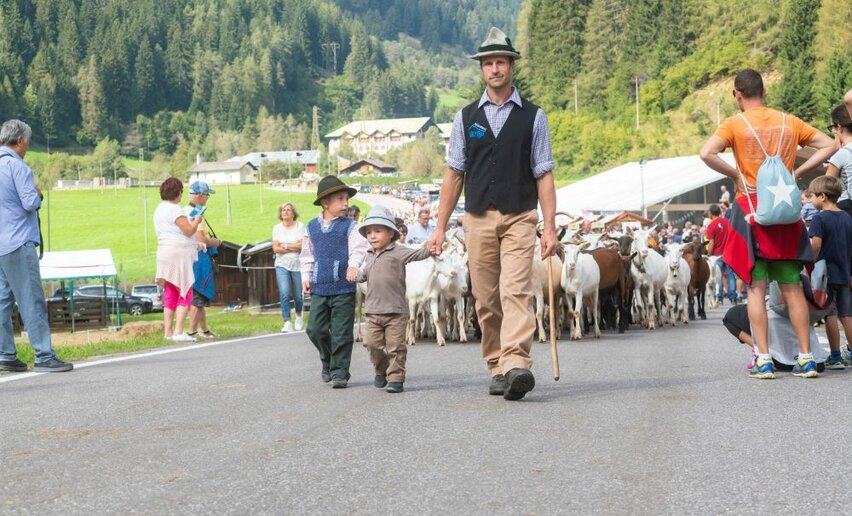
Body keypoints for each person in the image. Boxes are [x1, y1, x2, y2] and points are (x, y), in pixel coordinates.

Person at [428, 27, 558, 401]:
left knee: (516, 289)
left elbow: (544, 173)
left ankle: (517, 363)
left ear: (511, 66)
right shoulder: (465, 117)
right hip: (478, 217)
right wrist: (439, 228)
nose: (495, 68)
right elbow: (454, 174)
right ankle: (496, 364)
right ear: (482, 69)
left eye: (501, 61)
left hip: (520, 216)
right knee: (486, 298)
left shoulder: (534, 116)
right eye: (489, 63)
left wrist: (549, 227)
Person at [700, 68, 836, 379]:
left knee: (755, 289)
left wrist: (735, 174)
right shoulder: (789, 122)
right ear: (764, 92)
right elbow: (830, 144)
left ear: (737, 94)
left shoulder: (735, 123)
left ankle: (763, 358)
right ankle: (806, 358)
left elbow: (706, 152)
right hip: (786, 213)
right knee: (791, 288)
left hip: (752, 209)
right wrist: (799, 173)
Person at [0, 119, 73, 373]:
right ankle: (44, 354)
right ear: (19, 140)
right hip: (19, 241)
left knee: (2, 301)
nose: (28, 146)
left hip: (0, 244)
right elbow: (31, 202)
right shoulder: (18, 167)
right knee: (32, 299)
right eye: (28, 141)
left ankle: (6, 353)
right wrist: (38, 193)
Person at [300, 176, 368, 388]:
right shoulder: (311, 227)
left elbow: (358, 249)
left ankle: (340, 372)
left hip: (343, 287)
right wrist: (305, 276)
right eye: (340, 199)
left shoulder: (351, 226)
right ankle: (328, 361)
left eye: (346, 199)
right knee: (315, 330)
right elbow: (306, 255)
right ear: (325, 203)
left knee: (341, 332)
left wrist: (353, 265)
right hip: (320, 286)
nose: (346, 203)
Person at [357, 206, 434, 393]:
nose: (372, 236)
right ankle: (380, 369)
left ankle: (396, 378)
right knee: (371, 344)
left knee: (396, 347)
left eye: (377, 231)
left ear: (391, 233)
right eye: (369, 232)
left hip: (396, 311)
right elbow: (363, 276)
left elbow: (419, 254)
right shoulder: (368, 255)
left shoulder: (398, 252)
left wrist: (431, 247)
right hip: (373, 311)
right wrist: (353, 274)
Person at [722, 282, 827, 372]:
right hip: (817, 361)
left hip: (779, 360)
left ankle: (762, 355)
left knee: (736, 311)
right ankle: (806, 357)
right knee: (794, 292)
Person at [807, 175, 852, 368]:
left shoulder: (819, 218)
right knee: (847, 315)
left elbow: (815, 244)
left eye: (812, 196)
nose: (810, 200)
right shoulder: (846, 217)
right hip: (845, 272)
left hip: (826, 275)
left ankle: (835, 355)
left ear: (823, 196)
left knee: (830, 315)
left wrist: (810, 260)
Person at [154, 177, 204, 342]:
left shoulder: (159, 209)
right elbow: (189, 231)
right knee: (185, 290)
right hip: (178, 253)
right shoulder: (175, 209)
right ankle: (179, 331)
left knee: (170, 292)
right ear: (177, 192)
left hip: (163, 251)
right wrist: (197, 219)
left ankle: (168, 332)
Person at [184, 181, 221, 339]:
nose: (207, 198)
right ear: (199, 196)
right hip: (198, 258)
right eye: (207, 195)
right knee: (199, 294)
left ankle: (204, 329)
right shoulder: (195, 214)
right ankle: (192, 330)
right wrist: (216, 242)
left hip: (189, 256)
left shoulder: (184, 210)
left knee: (201, 295)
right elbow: (200, 238)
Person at [272, 202, 305, 333]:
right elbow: (275, 249)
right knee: (284, 292)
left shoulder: (300, 226)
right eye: (283, 210)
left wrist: (284, 245)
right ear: (280, 214)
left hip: (297, 264)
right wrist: (292, 246)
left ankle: (298, 316)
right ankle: (286, 321)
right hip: (281, 264)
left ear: (293, 213)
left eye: (288, 210)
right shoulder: (277, 228)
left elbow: (301, 246)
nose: (285, 212)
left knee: (298, 295)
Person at [706, 204, 737, 305]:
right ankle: (733, 298)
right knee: (730, 275)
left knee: (717, 277)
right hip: (728, 253)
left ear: (710, 213)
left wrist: (708, 255)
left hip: (716, 255)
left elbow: (711, 242)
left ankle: (719, 298)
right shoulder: (727, 222)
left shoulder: (711, 225)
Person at [826, 104, 852, 217]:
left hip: (847, 211)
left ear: (839, 127)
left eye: (832, 127)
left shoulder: (842, 154)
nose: (832, 131)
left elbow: (826, 184)